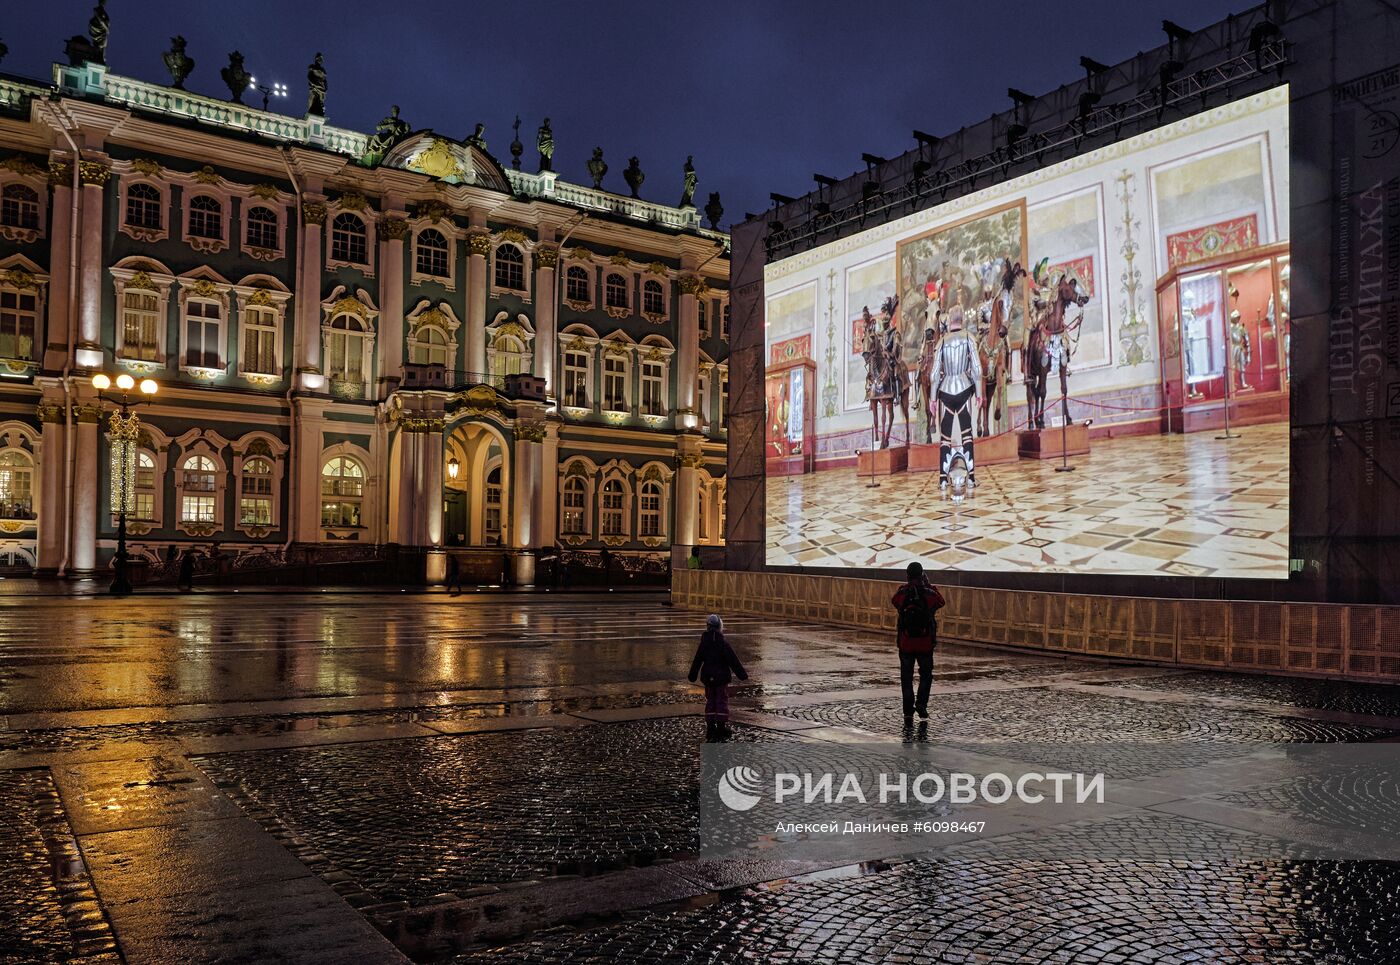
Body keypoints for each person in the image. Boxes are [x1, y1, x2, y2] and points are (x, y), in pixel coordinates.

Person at [891, 562, 945, 727]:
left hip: (906, 642)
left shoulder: (903, 593)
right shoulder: (929, 594)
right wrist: (928, 585)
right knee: (926, 675)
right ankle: (921, 703)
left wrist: (907, 586)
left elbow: (894, 601)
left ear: (907, 576)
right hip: (925, 643)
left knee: (906, 677)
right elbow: (941, 601)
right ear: (922, 575)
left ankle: (908, 710)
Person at [688, 614, 748, 742]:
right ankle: (721, 727)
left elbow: (697, 660)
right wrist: (742, 675)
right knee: (721, 700)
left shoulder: (704, 643)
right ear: (720, 627)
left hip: (708, 677)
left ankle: (710, 727)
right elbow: (733, 660)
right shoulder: (723, 643)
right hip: (721, 678)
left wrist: (692, 675)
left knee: (710, 700)